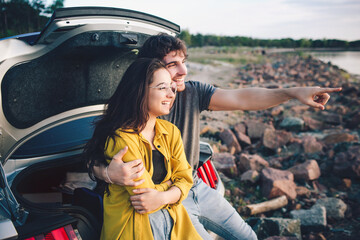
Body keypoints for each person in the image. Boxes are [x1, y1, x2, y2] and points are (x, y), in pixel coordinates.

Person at [89, 34, 342, 240]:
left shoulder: (192, 93)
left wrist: (293, 92)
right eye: (173, 64)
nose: (183, 70)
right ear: (150, 70)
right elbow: (93, 160)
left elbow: (242, 98)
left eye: (184, 61)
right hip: (164, 203)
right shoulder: (128, 117)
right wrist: (108, 174)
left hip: (193, 185)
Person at [84, 58, 202, 239]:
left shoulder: (171, 132)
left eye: (171, 87)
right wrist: (172, 187)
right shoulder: (122, 138)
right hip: (134, 228)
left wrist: (162, 196)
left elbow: (186, 180)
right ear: (139, 91)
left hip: (174, 221)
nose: (171, 94)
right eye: (162, 87)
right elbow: (145, 198)